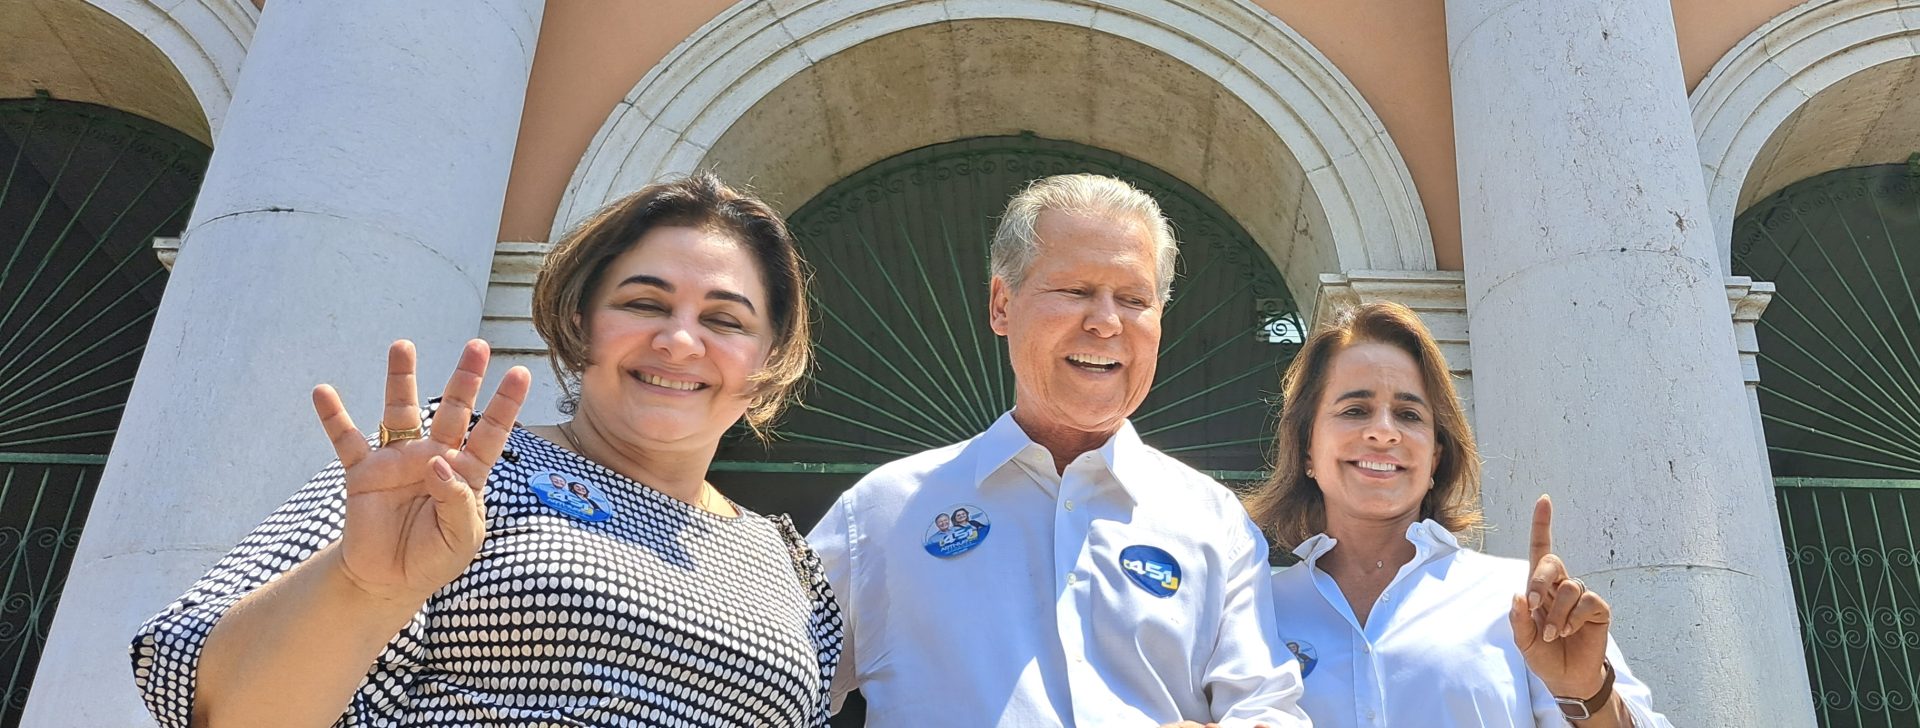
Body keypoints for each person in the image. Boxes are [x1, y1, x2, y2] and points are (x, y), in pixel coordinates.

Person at [130, 174, 841, 727]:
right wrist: (363, 586)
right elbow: (215, 712)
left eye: (724, 319)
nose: (681, 341)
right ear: (580, 322)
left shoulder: (788, 564)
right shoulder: (458, 464)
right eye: (645, 304)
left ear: (766, 360)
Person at [808, 173, 1308, 727]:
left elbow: (1269, 712)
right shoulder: (879, 515)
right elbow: (765, 689)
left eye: (1134, 299)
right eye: (1075, 291)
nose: (1105, 321)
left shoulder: (1216, 524)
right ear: (1002, 305)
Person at [1247, 301, 1671, 727]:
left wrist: (1586, 694)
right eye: (1355, 410)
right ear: (1306, 450)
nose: (1383, 431)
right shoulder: (1253, 608)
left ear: (1435, 458)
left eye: (1409, 414)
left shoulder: (1519, 602)